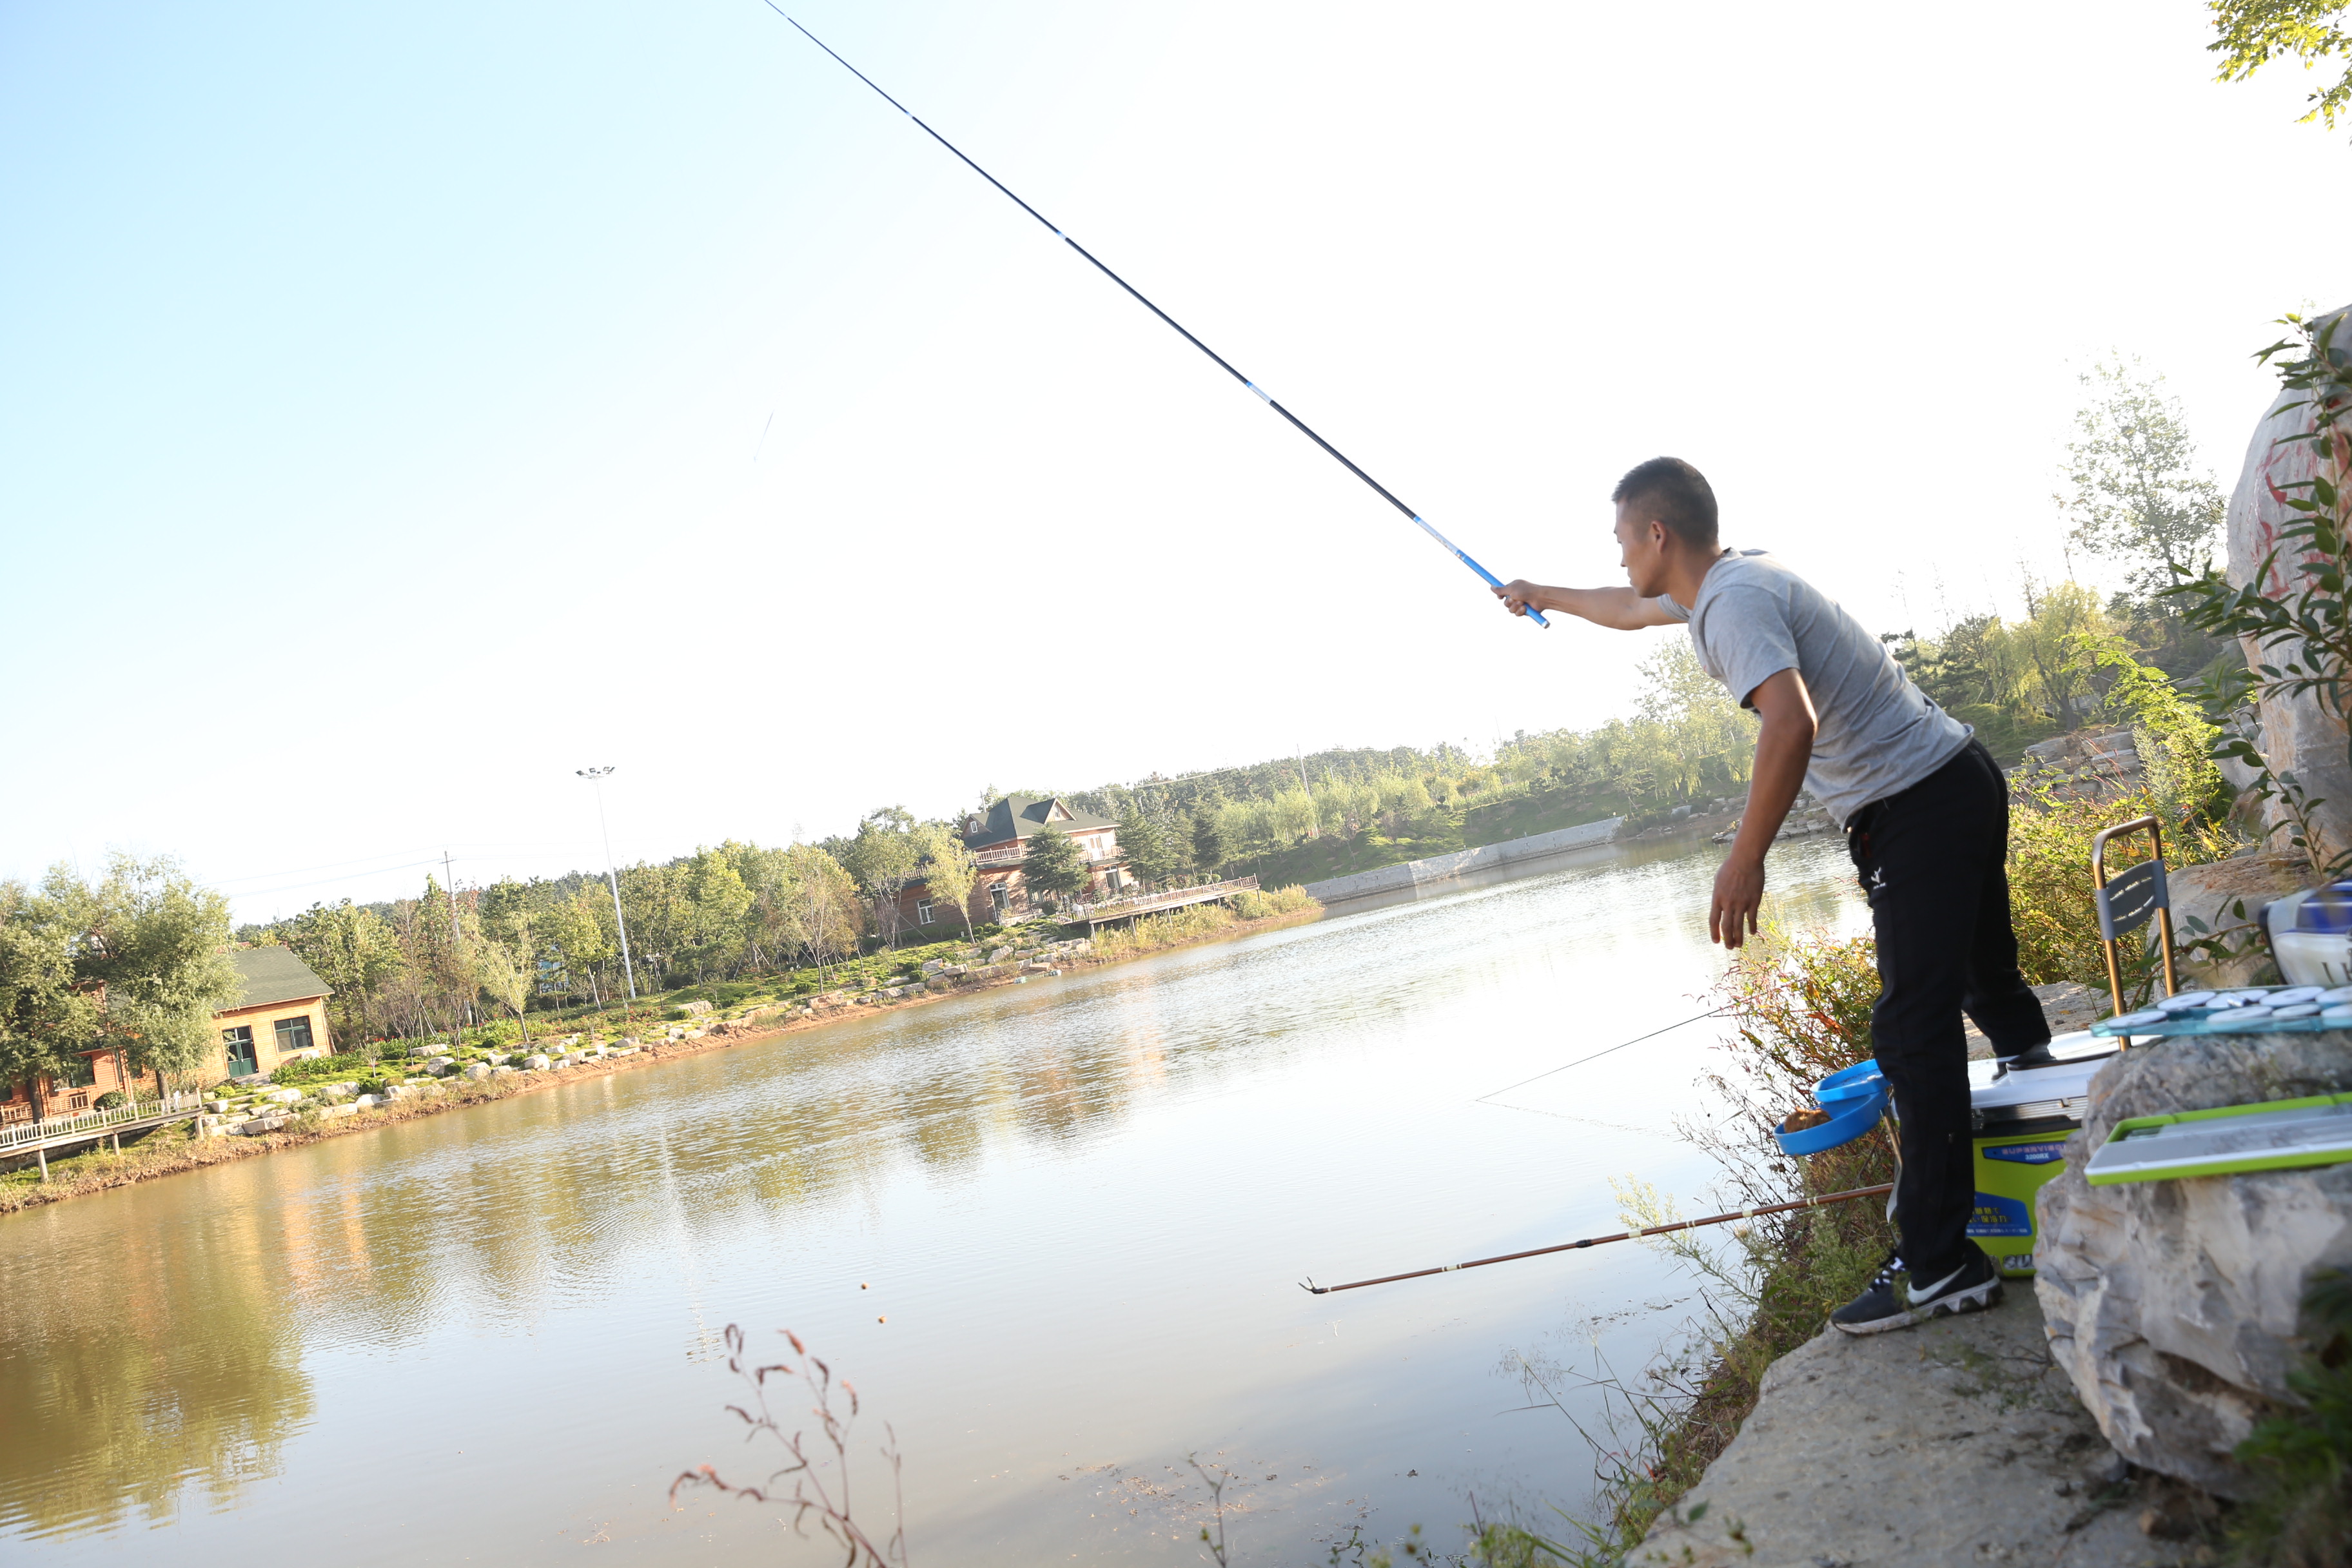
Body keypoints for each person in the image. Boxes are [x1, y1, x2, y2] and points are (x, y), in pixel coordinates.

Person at [1494, 456, 2052, 1335]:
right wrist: (1544, 595)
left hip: (1913, 802)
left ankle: (1942, 1263)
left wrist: (1744, 856)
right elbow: (1626, 606)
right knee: (1982, 980)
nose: (1618, 556)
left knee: (1911, 1029)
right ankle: (2044, 1112)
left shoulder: (1732, 604)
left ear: (1657, 535)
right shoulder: (1729, 577)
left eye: (1620, 539)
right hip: (1957, 774)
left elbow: (1792, 721)